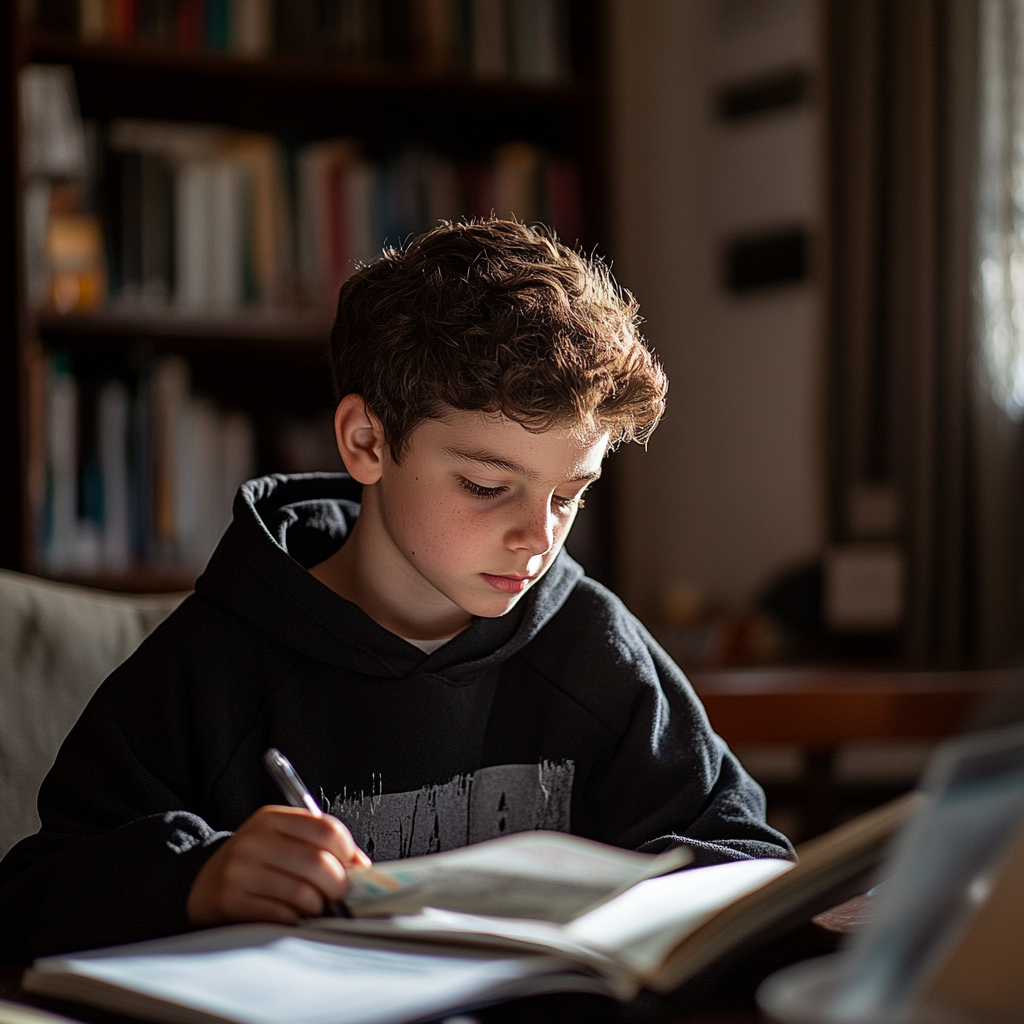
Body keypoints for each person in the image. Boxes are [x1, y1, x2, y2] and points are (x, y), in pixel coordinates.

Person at [0, 220, 793, 963]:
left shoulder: (593, 648)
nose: (538, 536)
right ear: (366, 441)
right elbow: (31, 897)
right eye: (487, 486)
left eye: (569, 493)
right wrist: (193, 878)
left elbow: (747, 858)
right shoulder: (212, 663)